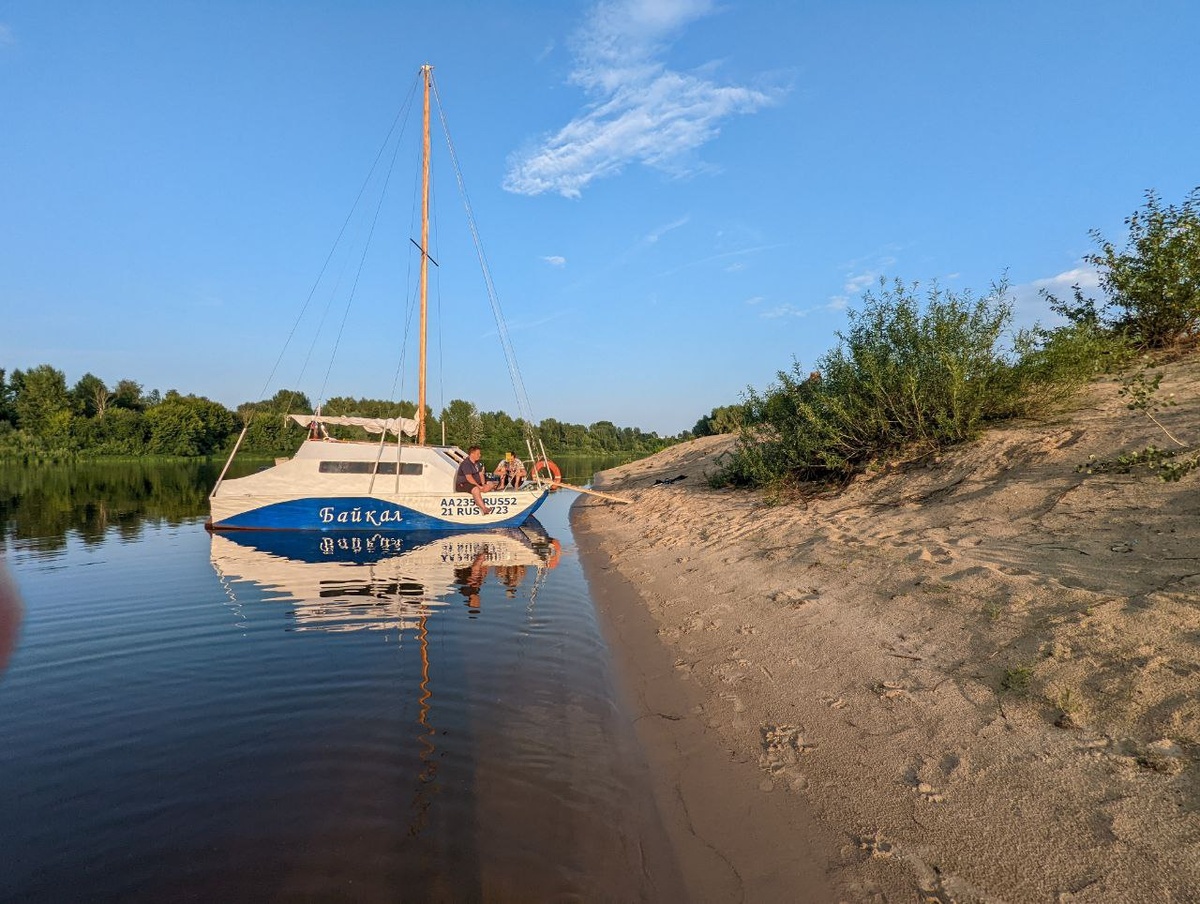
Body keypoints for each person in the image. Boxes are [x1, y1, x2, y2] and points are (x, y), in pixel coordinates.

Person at [455, 445, 498, 514]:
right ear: (472, 454)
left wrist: (483, 484)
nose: (480, 455)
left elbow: (481, 474)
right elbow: (469, 478)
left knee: (491, 484)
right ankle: (484, 509)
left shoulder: (477, 463)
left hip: (475, 483)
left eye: (479, 453)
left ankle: (477, 497)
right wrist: (479, 486)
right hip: (463, 484)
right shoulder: (466, 464)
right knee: (476, 489)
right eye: (478, 454)